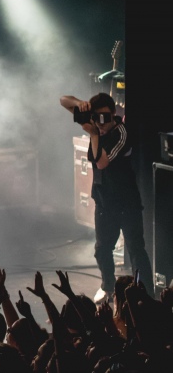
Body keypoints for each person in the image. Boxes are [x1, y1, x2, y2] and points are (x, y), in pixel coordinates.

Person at [59, 92, 153, 301]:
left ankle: (146, 294)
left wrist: (94, 134)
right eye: (97, 117)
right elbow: (63, 100)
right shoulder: (95, 125)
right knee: (102, 249)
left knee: (136, 248)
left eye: (106, 118)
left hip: (127, 203)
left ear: (114, 114)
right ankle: (108, 287)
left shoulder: (121, 133)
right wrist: (80, 105)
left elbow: (101, 162)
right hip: (104, 202)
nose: (102, 123)